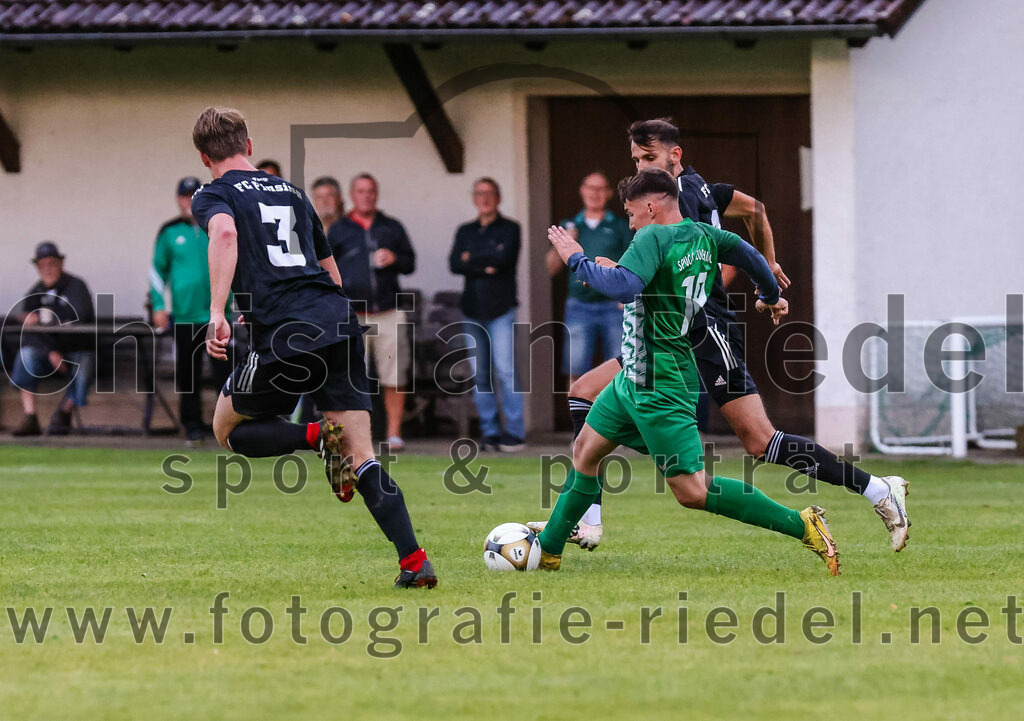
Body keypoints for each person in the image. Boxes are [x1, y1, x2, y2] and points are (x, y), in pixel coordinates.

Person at [548, 119, 909, 552]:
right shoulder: (706, 189)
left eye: (648, 158)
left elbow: (691, 260)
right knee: (584, 393)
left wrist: (607, 270)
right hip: (666, 337)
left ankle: (877, 489)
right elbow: (754, 213)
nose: (641, 167)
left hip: (705, 330)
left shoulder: (674, 203)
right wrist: (769, 277)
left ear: (674, 155)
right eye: (637, 160)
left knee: (759, 442)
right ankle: (587, 520)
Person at [536, 169, 840, 575]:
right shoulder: (705, 235)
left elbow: (623, 288)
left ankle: (802, 524)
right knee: (584, 452)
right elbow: (751, 257)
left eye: (631, 213)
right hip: (633, 378)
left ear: (650, 207)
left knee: (693, 490)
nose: (630, 224)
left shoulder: (652, 236)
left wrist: (576, 257)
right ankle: (548, 550)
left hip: (660, 384)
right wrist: (770, 295)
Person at [189, 106, 436, 588]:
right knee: (363, 455)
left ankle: (316, 436)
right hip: (336, 320)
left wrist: (218, 311)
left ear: (204, 157)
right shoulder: (292, 192)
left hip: (287, 332)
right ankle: (414, 562)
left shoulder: (213, 193)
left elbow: (225, 232)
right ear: (249, 146)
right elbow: (328, 268)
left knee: (226, 428)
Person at [328, 174, 415, 451]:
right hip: (353, 314)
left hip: (388, 312)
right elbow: (326, 267)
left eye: (371, 191)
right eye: (361, 191)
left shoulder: (392, 226)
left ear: (376, 194)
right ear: (352, 195)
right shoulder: (339, 229)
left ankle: (394, 434)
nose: (366, 196)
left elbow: (410, 263)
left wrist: (395, 258)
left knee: (394, 375)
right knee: (351, 378)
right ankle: (354, 435)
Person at [150, 176, 232, 445]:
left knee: (225, 375)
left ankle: (228, 428)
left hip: (218, 317)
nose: (188, 201)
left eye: (193, 195)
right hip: (185, 317)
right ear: (178, 199)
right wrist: (159, 306)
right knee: (188, 375)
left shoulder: (218, 225)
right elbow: (157, 271)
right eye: (184, 196)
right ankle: (192, 426)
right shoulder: (169, 231)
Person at [449, 178, 525, 452]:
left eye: (489, 193)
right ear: (474, 198)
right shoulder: (465, 230)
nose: (484, 198)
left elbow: (503, 261)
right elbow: (454, 264)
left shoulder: (511, 228)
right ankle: (490, 432)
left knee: (506, 370)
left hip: (501, 309)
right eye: (479, 193)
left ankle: (514, 432)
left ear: (498, 197)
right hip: (472, 311)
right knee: (480, 375)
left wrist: (472, 259)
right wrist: (486, 262)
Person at [545, 171, 632, 385]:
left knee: (618, 368)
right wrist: (563, 245)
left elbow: (631, 263)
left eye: (600, 188)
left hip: (613, 305)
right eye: (590, 188)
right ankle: (577, 409)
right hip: (579, 305)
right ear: (582, 190)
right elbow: (551, 268)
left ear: (609, 193)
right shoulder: (569, 225)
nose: (595, 193)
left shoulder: (620, 226)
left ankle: (612, 409)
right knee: (575, 369)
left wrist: (626, 296)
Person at [9, 242, 95, 436]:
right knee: (26, 355)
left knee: (85, 362)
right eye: (42, 265)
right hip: (49, 355)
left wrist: (47, 319)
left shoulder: (76, 286)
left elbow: (80, 317)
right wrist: (50, 352)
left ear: (61, 264)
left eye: (51, 264)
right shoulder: (35, 293)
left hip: (75, 351)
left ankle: (64, 412)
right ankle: (30, 416)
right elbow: (28, 330)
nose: (47, 269)